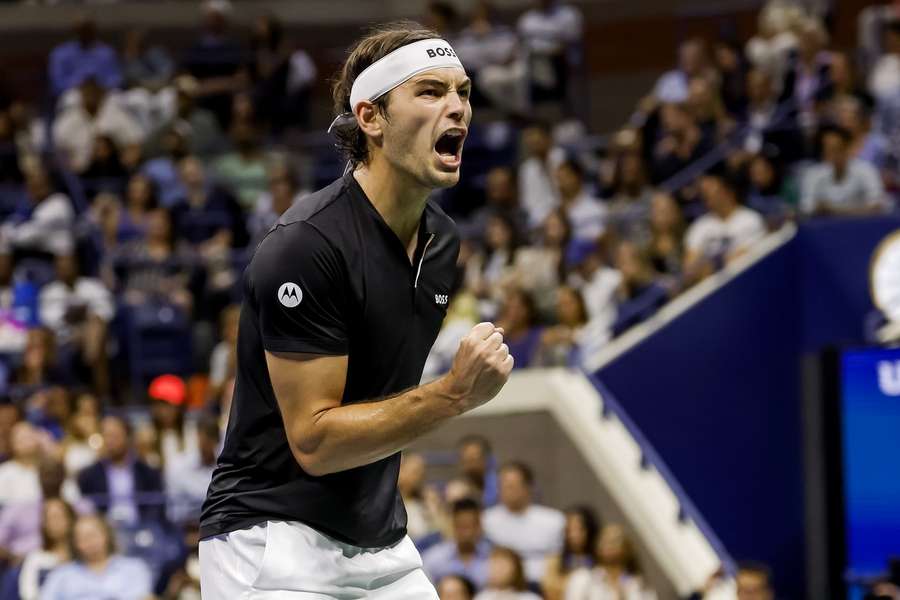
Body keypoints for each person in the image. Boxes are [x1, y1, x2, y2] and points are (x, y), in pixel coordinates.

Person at [199, 23, 514, 599]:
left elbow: (379, 396)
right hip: (271, 542)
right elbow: (315, 443)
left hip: (381, 543)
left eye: (463, 91)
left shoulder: (442, 242)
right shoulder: (305, 247)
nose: (458, 109)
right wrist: (454, 394)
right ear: (371, 118)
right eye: (430, 92)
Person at [483, 461, 565, 582]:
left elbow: (556, 560)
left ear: (528, 487)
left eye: (511, 486)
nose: (506, 491)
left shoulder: (553, 520)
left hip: (541, 585)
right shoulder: (486, 520)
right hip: (500, 584)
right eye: (502, 486)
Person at [76, 415, 165, 526]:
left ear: (127, 436)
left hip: (141, 530)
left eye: (115, 436)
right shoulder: (89, 475)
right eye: (106, 436)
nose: (110, 441)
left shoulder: (148, 473)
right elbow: (87, 507)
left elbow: (155, 509)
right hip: (105, 532)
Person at [38, 514, 152, 600]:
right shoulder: (61, 575)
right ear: (75, 544)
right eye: (82, 538)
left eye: (92, 535)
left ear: (106, 535)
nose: (89, 542)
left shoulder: (134, 568)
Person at [683, 173, 766, 283]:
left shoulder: (750, 219)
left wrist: (712, 266)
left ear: (728, 192)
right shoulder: (700, 226)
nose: (710, 199)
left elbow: (747, 255)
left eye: (714, 193)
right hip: (710, 287)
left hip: (749, 278)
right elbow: (689, 266)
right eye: (706, 196)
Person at [800, 125, 889, 216]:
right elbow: (806, 209)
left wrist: (835, 210)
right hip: (823, 228)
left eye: (836, 149)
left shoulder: (866, 170)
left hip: (861, 227)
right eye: (827, 150)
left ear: (847, 148)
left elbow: (878, 205)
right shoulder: (813, 174)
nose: (833, 155)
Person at [563, 523, 656, 600]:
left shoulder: (639, 585)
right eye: (605, 540)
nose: (609, 544)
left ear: (627, 548)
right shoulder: (583, 578)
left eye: (616, 540)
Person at [423, 498, 492, 588]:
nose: (467, 533)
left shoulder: (491, 557)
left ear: (479, 526)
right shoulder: (434, 558)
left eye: (471, 526)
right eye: (462, 526)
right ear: (454, 525)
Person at [17, 497, 74, 600]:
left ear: (71, 519)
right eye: (49, 518)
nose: (54, 523)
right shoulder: (36, 558)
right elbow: (28, 594)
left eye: (58, 516)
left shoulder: (84, 555)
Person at [543, 506, 600, 600]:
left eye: (580, 529)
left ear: (590, 530)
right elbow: (550, 591)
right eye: (569, 530)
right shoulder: (555, 559)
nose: (574, 535)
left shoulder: (601, 558)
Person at [474, 546, 542, 600]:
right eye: (494, 565)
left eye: (502, 566)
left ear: (516, 569)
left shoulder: (530, 598)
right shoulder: (482, 597)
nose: (497, 570)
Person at [458, 434, 498, 507]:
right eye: (465, 460)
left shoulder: (499, 485)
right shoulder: (459, 488)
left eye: (473, 460)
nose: (469, 466)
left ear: (486, 460)